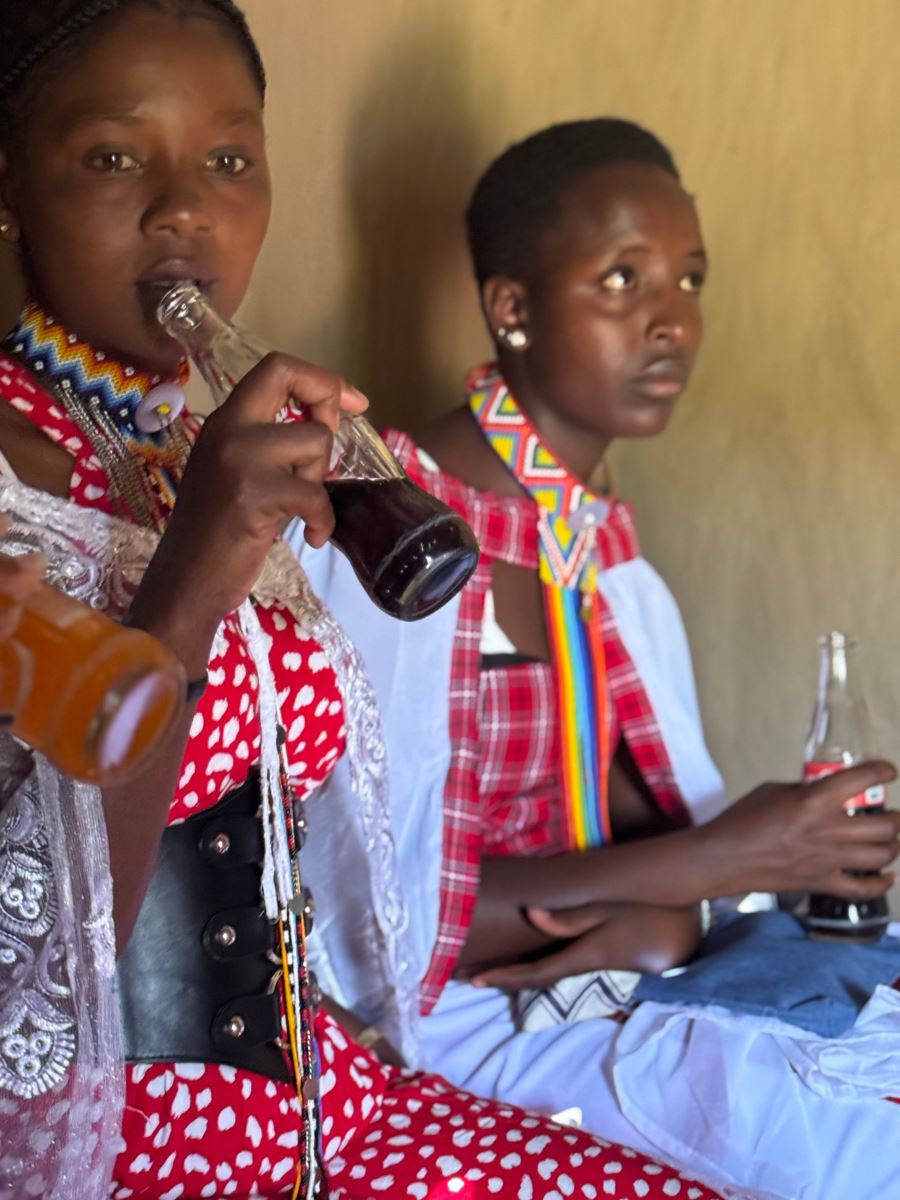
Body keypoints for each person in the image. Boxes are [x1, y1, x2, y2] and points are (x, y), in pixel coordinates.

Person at [0, 8, 729, 1200]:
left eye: (230, 161)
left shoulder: (215, 451)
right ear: (12, 186)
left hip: (331, 1102)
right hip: (117, 1141)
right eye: (117, 156)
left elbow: (329, 871)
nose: (186, 208)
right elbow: (33, 959)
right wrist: (192, 568)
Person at [299, 120, 900, 1200]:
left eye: (690, 278)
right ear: (513, 308)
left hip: (631, 985)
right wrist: (720, 864)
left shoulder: (608, 559)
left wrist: (715, 884)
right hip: (459, 1028)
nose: (672, 322)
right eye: (622, 279)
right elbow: (374, 923)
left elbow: (648, 842)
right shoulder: (399, 541)